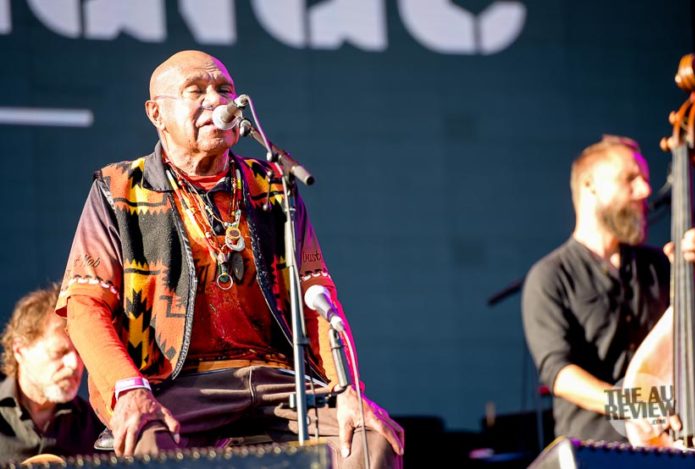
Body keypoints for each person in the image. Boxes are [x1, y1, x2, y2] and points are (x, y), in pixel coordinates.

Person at [56, 50, 403, 467]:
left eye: (224, 90)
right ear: (156, 113)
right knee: (148, 440)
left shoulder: (272, 185)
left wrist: (347, 390)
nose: (217, 101)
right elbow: (86, 306)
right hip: (176, 384)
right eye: (195, 91)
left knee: (370, 438)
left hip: (278, 379)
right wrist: (128, 389)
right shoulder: (118, 189)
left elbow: (316, 297)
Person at [521, 135, 695, 441]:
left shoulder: (659, 265)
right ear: (589, 186)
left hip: (667, 444)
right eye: (630, 179)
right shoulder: (550, 276)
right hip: (597, 450)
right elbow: (560, 374)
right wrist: (632, 405)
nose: (645, 190)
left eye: (645, 180)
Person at [0, 284, 101, 463]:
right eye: (59, 352)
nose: (75, 364)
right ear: (20, 350)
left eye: (80, 352)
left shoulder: (96, 428)